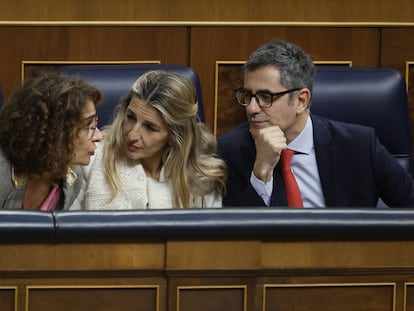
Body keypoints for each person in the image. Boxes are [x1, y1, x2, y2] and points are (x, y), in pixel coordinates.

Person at [217, 38, 414, 207]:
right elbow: (238, 238)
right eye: (247, 96)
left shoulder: (360, 146)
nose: (251, 108)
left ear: (301, 101)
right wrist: (261, 173)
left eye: (265, 96)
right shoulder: (232, 150)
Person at [83, 70, 227, 209]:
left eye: (150, 128)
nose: (132, 135)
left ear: (173, 136)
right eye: (131, 117)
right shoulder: (89, 159)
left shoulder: (201, 179)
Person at [0, 70, 103, 210]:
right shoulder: (3, 174)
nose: (98, 136)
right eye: (88, 126)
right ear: (55, 131)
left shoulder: (72, 179)